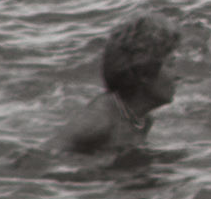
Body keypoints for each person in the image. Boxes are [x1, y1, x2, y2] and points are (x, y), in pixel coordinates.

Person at [54, 10, 180, 153]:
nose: (178, 76)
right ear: (144, 73)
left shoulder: (141, 120)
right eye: (171, 64)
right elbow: (44, 159)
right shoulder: (99, 121)